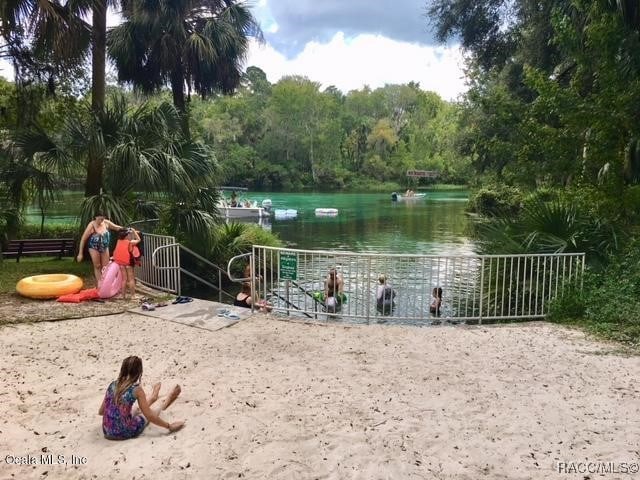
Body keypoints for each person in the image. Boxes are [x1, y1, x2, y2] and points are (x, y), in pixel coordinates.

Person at [98, 356, 185, 440]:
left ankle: (153, 397)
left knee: (134, 409)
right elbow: (150, 416)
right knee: (152, 411)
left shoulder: (112, 385)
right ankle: (169, 397)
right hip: (125, 432)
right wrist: (169, 426)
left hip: (107, 431)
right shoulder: (136, 389)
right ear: (138, 372)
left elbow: (101, 412)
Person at [77, 213, 123, 285]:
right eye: (100, 218)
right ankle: (100, 284)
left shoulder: (106, 223)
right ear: (96, 217)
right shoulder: (92, 225)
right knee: (97, 266)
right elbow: (83, 239)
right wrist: (80, 253)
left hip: (104, 247)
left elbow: (117, 228)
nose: (102, 220)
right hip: (94, 247)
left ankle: (106, 283)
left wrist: (127, 229)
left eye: (103, 218)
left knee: (105, 267)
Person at [112, 228, 142, 299]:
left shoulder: (118, 241)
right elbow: (139, 239)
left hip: (121, 262)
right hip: (128, 263)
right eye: (128, 234)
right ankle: (133, 296)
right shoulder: (130, 242)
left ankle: (123, 296)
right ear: (126, 236)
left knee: (124, 279)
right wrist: (134, 231)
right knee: (131, 279)